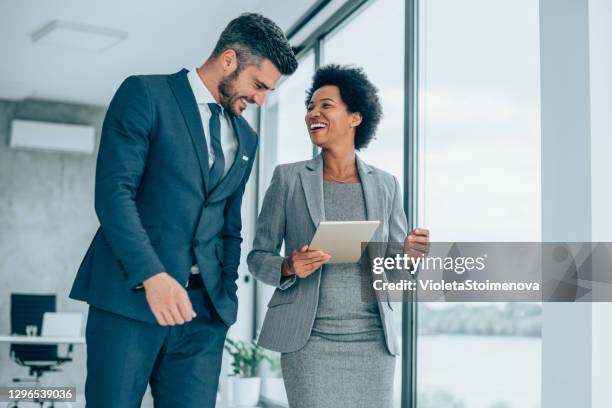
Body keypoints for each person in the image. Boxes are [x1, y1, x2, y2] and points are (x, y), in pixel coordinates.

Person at [69, 13, 297, 407]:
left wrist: (224, 297)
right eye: (258, 85)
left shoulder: (246, 136)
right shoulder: (145, 94)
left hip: (202, 315)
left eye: (268, 92)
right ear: (229, 60)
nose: (261, 99)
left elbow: (229, 224)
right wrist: (152, 275)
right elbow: (114, 195)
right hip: (129, 301)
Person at [248, 64, 429, 408]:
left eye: (325, 106)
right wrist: (288, 265)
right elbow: (258, 257)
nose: (313, 114)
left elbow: (392, 272)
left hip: (373, 342)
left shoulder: (386, 184)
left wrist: (408, 257)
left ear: (355, 117)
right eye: (310, 107)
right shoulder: (288, 179)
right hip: (309, 342)